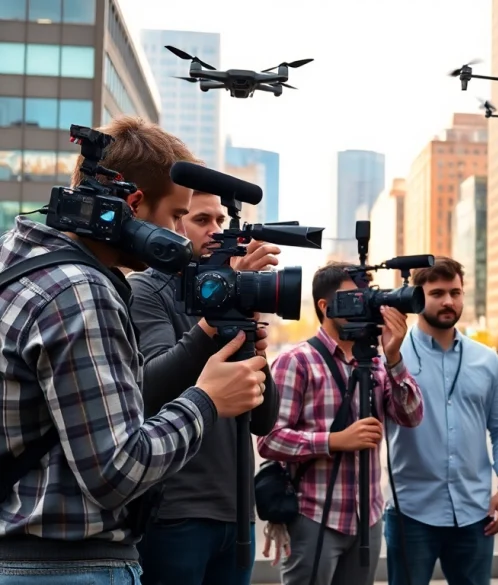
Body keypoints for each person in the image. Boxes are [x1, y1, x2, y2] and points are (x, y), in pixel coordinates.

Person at [0, 116, 267, 585]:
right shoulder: (81, 293)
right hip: (68, 568)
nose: (179, 236)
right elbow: (116, 471)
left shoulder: (16, 260)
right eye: (175, 218)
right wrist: (206, 401)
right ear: (133, 205)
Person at [127, 191, 282, 585]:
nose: (215, 231)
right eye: (200, 220)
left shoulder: (236, 297)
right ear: (175, 223)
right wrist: (215, 315)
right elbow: (150, 389)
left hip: (237, 512)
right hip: (176, 512)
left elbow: (263, 420)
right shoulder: (147, 289)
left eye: (219, 221)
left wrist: (252, 342)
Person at [257, 262, 424, 585]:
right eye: (354, 297)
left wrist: (394, 358)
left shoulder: (376, 363)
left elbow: (412, 416)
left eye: (367, 295)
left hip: (368, 517)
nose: (365, 303)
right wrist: (334, 441)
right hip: (314, 515)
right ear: (325, 305)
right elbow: (269, 439)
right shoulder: (297, 362)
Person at [383, 257, 498, 585]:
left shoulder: (485, 359)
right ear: (416, 296)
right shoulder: (390, 355)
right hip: (410, 513)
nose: (448, 301)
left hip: (475, 513)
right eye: (437, 293)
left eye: (455, 292)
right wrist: (391, 358)